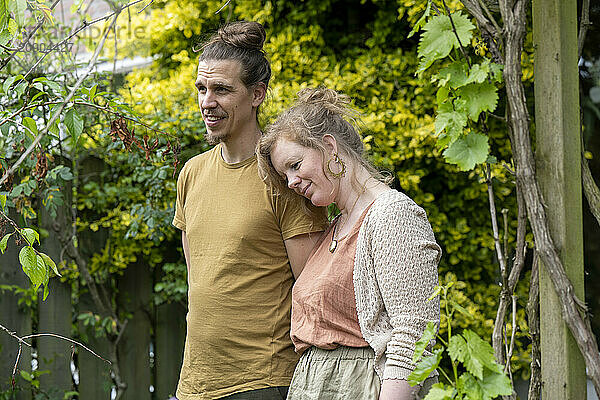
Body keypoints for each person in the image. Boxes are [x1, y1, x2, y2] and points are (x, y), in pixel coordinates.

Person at [172, 22, 327, 400]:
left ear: (257, 94)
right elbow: (200, 282)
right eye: (202, 89)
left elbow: (313, 292)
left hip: (264, 381)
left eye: (222, 90)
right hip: (196, 381)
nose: (208, 101)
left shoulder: (285, 179)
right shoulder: (191, 173)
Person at [257, 87, 441, 400]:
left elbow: (413, 335)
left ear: (329, 147)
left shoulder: (391, 213)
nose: (290, 182)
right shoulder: (335, 227)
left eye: (295, 165)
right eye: (284, 174)